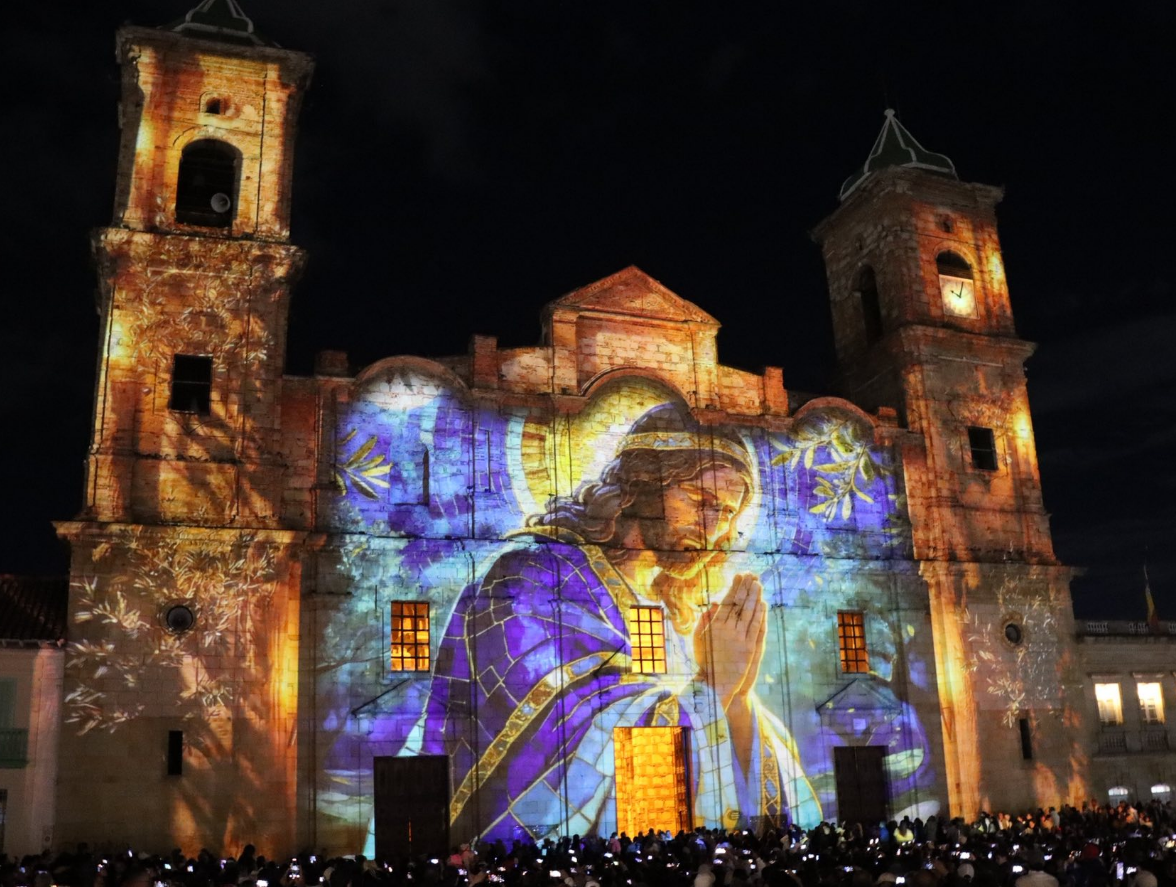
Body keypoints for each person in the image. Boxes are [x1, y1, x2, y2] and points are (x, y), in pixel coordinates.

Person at [404, 402, 819, 841]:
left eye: (728, 514)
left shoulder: (676, 613)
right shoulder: (534, 575)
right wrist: (713, 685)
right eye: (700, 501)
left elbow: (706, 731)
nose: (714, 527)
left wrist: (736, 697)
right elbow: (567, 738)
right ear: (639, 485)